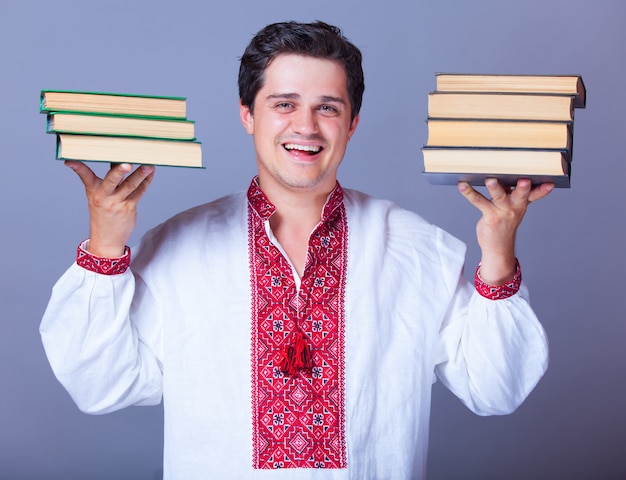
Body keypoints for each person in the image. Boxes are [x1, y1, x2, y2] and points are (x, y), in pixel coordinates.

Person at [40, 20, 553, 480]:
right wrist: (106, 244)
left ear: (351, 123)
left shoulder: (417, 247)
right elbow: (99, 386)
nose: (305, 127)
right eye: (284, 104)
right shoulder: (178, 246)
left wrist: (498, 253)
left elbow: (494, 389)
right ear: (247, 115)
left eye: (327, 108)